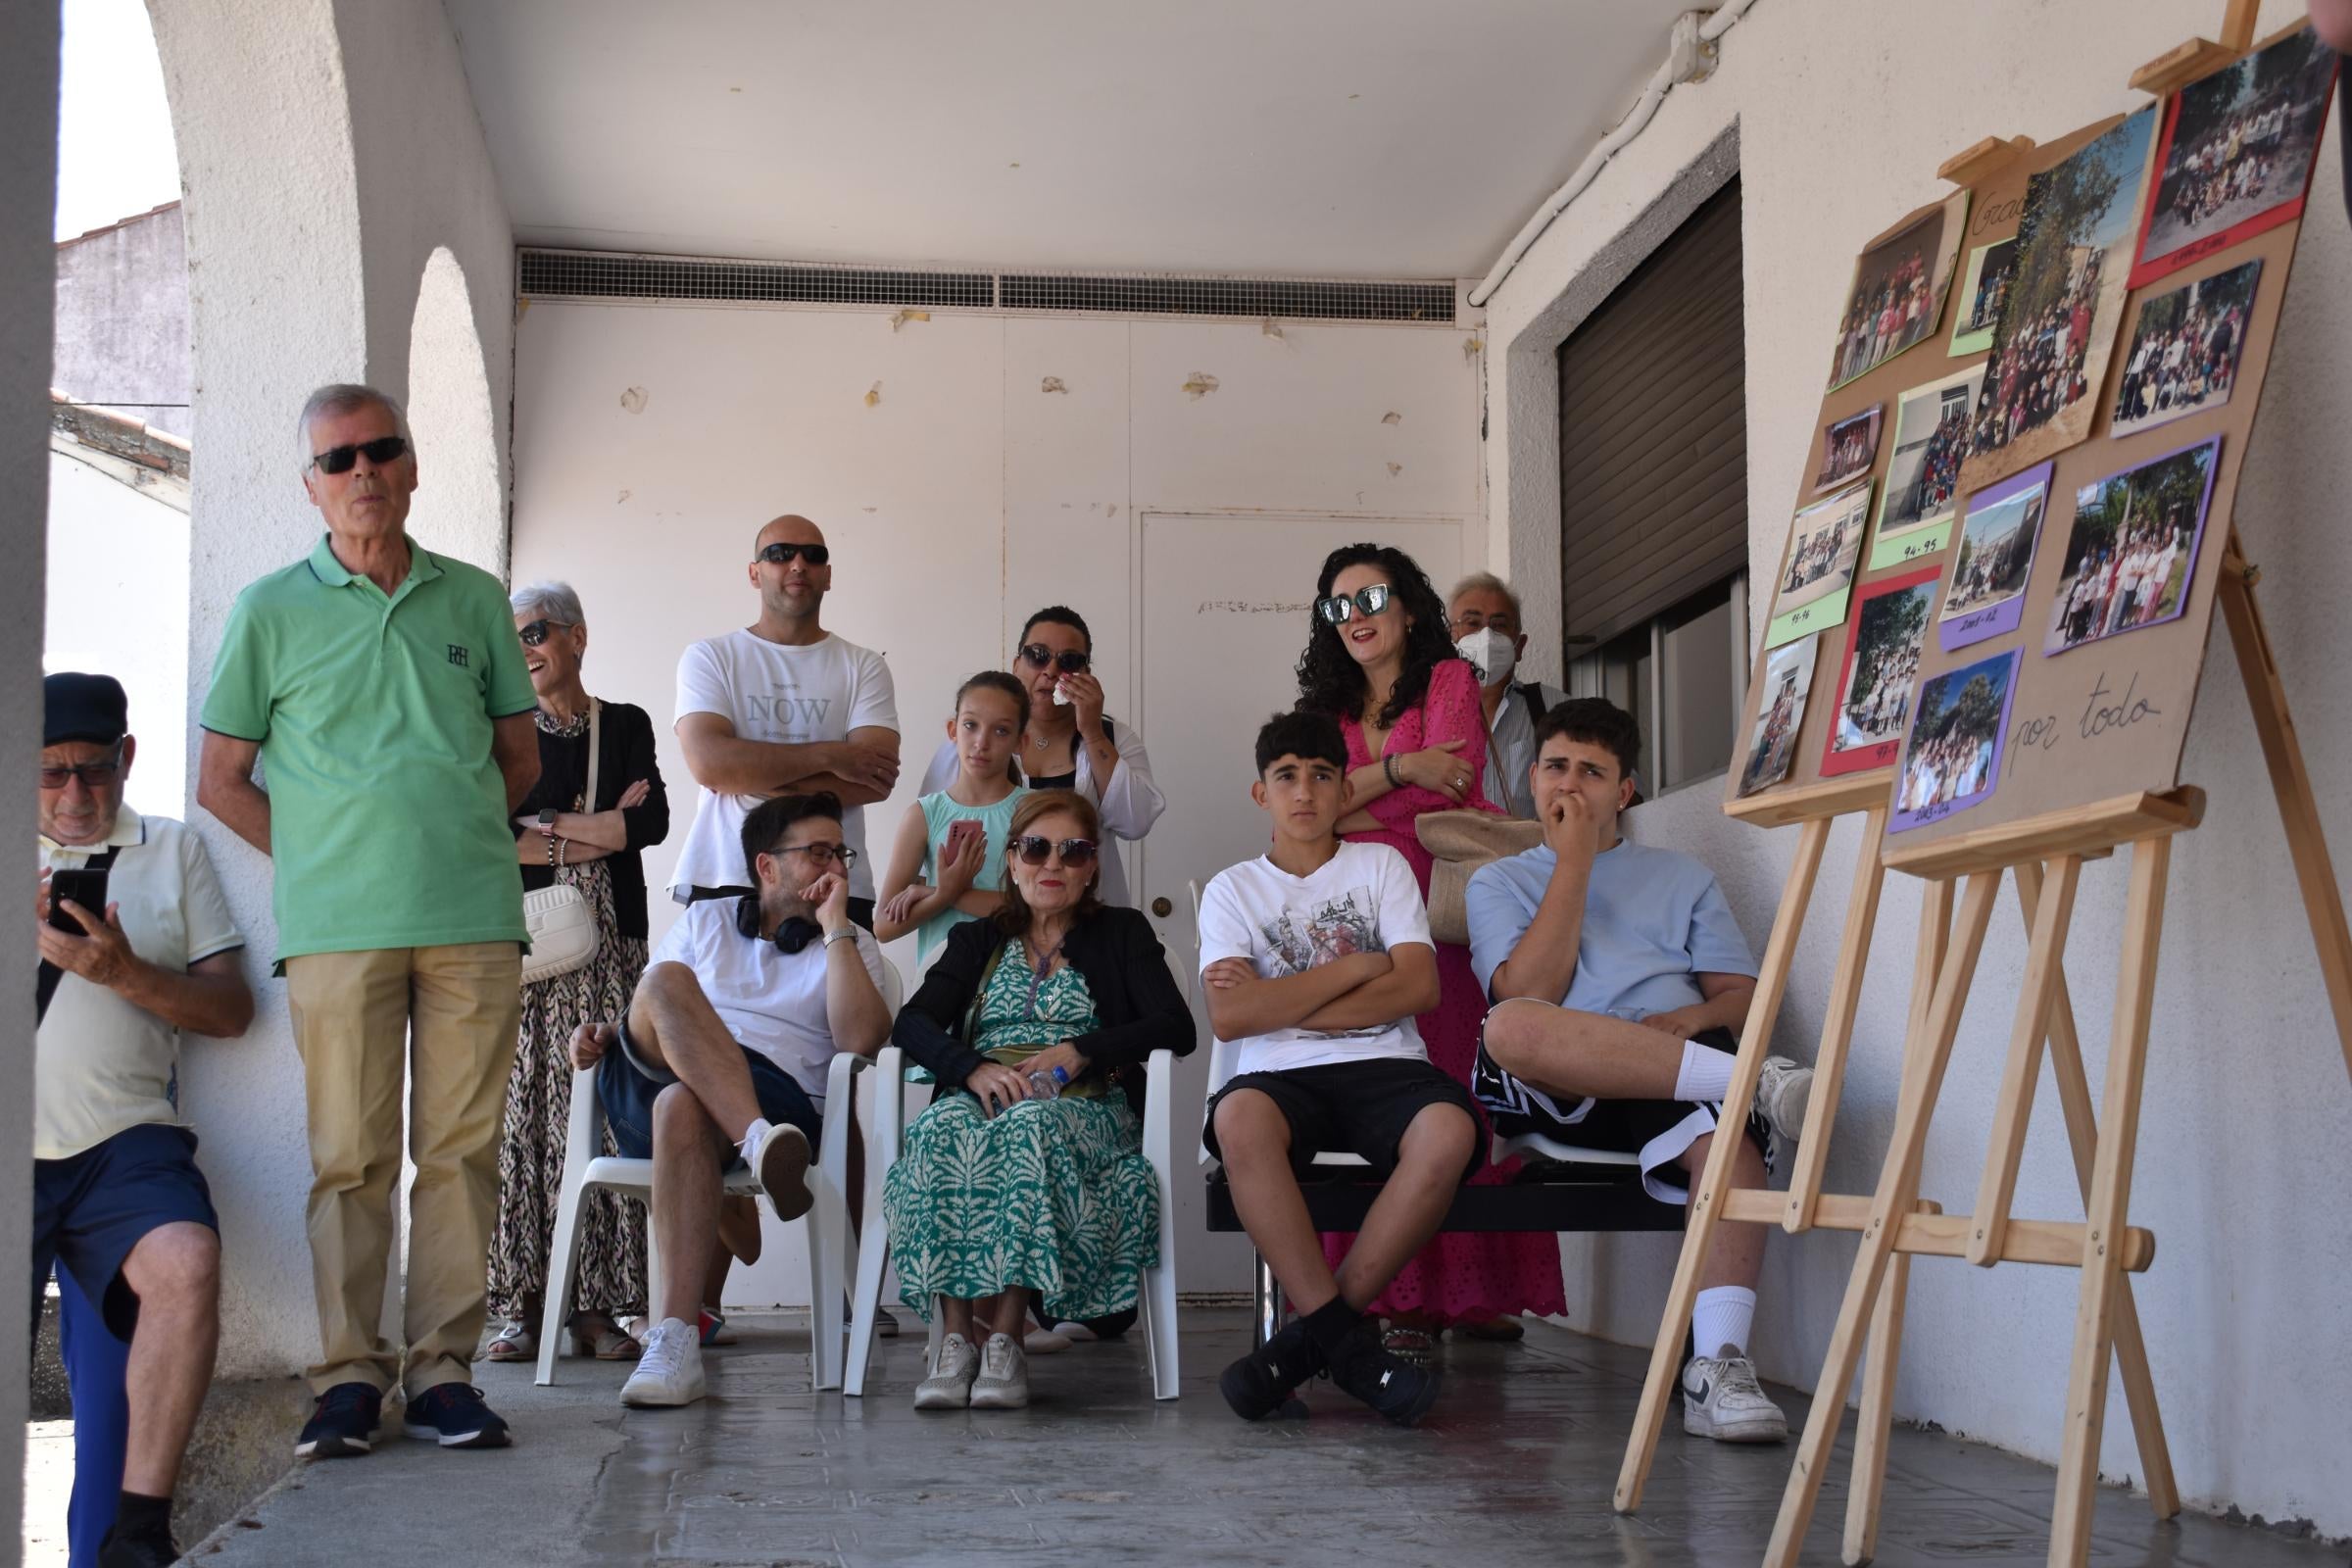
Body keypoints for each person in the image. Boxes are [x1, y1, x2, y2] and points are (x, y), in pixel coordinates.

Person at [197, 382, 541, 1456]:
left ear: (411, 466)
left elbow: (519, 756)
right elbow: (221, 777)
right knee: (349, 1157)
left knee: (460, 1150)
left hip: (474, 919)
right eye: (337, 460)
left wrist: (449, 839)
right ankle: (348, 1375)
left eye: (379, 451)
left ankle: (442, 1373)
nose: (361, 474)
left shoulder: (477, 599)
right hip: (338, 929)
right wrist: (323, 866)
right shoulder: (268, 610)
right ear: (310, 485)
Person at [1464, 699, 1815, 1443]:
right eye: (1557, 766)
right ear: (1533, 777)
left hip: (1672, 1063)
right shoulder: (1498, 883)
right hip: (1565, 1078)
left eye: (1592, 772)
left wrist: (1694, 1020)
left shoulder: (1682, 877)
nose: (1571, 786)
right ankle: (1754, 1084)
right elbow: (1534, 992)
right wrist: (1576, 865)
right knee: (1512, 1024)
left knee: (1729, 1149)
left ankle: (1718, 1367)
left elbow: (1740, 994)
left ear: (1624, 791)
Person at [1293, 543, 1564, 1353]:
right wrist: (1402, 768)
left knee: (1457, 1089)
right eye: (1338, 606)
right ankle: (1391, 1299)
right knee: (1380, 1092)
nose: (1356, 617)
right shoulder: (1325, 705)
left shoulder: (1448, 681)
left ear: (1407, 606)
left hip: (1443, 919)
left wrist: (1360, 794)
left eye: (1369, 597)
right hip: (1360, 915)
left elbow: (1454, 783)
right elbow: (1313, 811)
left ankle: (1470, 1297)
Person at [565, 793, 892, 1407]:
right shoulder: (706, 922)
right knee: (664, 984)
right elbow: (655, 1012)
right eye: (818, 852)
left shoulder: (850, 942)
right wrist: (606, 1031)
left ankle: (673, 1340)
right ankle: (756, 1141)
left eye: (841, 854)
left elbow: (860, 1042)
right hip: (655, 1085)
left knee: (682, 1106)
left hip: (777, 1096)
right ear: (766, 867)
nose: (837, 867)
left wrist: (836, 930)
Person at [1200, 710, 1479, 1427]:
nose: (1305, 791)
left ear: (1340, 787)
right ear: (1261, 793)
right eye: (1286, 776)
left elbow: (1419, 988)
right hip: (1280, 1075)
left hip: (1386, 1064)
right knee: (1237, 1118)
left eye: (1323, 775)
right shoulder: (1233, 890)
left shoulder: (1379, 866)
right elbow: (1232, 1019)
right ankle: (1351, 1352)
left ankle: (1310, 1342)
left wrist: (1280, 1001)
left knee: (1448, 1132)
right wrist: (1357, 967)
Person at [36, 673, 253, 1568]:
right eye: (50, 776)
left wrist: (123, 974)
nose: (77, 795)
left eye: (94, 769)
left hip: (124, 1142)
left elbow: (232, 1011)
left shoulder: (172, 851)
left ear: (126, 758)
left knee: (187, 1260)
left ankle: (137, 1536)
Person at [882, 791, 1193, 1411]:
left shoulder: (1121, 932)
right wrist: (968, 1069)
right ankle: (954, 1343)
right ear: (1014, 860)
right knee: (943, 1125)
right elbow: (911, 1024)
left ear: (1092, 867)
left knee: (1031, 1126)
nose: (1053, 863)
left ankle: (1005, 1340)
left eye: (1073, 851)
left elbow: (1175, 1027)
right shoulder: (977, 939)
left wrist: (1084, 1048)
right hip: (986, 1094)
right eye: (1036, 847)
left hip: (1086, 1106)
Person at [480, 581, 668, 1366]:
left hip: (615, 948)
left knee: (606, 1116)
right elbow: (491, 832)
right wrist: (595, 833)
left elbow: (650, 822)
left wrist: (549, 829)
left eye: (537, 632)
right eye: (514, 636)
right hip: (535, 955)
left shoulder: (625, 725)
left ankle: (595, 1309)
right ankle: (526, 1307)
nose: (525, 649)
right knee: (529, 1123)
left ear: (577, 637)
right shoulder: (500, 735)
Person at [670, 514, 901, 926]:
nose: (798, 565)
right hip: (726, 873)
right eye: (779, 554)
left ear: (827, 575)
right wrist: (832, 755)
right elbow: (710, 764)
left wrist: (746, 773)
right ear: (754, 573)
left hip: (835, 878)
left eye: (813, 555)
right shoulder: (710, 657)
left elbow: (875, 779)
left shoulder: (864, 665)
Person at [915, 607, 1166, 907]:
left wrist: (1092, 731)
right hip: (986, 920)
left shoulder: (1112, 738)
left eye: (1069, 661)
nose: (1051, 671)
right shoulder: (970, 743)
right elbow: (927, 836)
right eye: (1038, 655)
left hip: (1088, 920)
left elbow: (1136, 822)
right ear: (1016, 664)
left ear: (1085, 674)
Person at [876, 671, 1030, 966]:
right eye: (971, 725)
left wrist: (943, 893)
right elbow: (884, 926)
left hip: (1015, 988)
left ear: (1020, 742)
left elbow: (1035, 908)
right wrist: (943, 895)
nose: (981, 742)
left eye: (1000, 731)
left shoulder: (1034, 812)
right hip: (938, 990)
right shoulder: (923, 814)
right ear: (952, 730)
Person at [1446, 573, 1565, 821]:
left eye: (1499, 625)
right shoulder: (1423, 714)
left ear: (1519, 645)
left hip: (1534, 858)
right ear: (1450, 639)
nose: (1486, 636)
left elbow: (1623, 791)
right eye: (1472, 623)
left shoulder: (1555, 710)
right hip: (1450, 859)